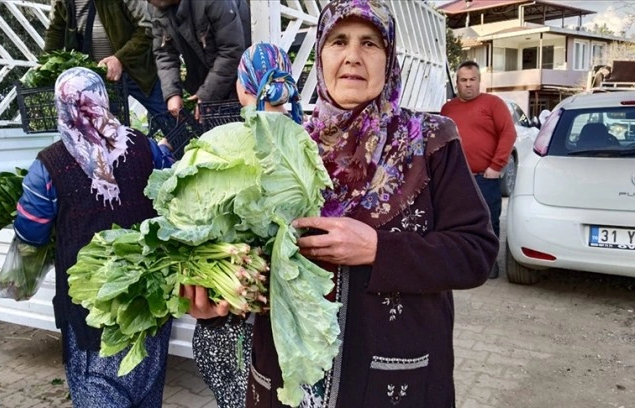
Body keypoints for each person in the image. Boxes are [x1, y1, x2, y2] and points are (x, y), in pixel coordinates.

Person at [182, 1, 500, 407]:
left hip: (390, 382)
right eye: (338, 41)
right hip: (287, 384)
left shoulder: (431, 141)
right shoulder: (283, 148)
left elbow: (477, 252)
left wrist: (379, 250)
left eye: (369, 43)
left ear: (389, 57)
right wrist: (220, 303)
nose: (352, 56)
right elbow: (252, 266)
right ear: (321, 55)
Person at [13, 67, 174, 408]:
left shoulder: (49, 165)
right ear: (102, 98)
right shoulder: (146, 147)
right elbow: (171, 198)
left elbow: (30, 230)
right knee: (147, 389)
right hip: (149, 303)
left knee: (98, 388)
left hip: (92, 313)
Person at [189, 42, 304, 408]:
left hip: (232, 315)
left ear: (242, 86)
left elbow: (191, 225)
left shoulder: (220, 143)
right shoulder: (307, 142)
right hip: (292, 315)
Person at [441, 60, 516, 279]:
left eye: (472, 79)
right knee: (456, 223)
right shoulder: (448, 108)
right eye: (463, 80)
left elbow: (508, 133)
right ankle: (460, 262)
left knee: (488, 222)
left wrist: (496, 166)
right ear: (457, 83)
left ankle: (488, 265)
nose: (468, 85)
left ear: (479, 81)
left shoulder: (493, 103)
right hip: (456, 180)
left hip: (484, 177)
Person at [44, 0, 166, 118]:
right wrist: (46, 64)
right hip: (96, 76)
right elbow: (55, 31)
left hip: (137, 70)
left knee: (170, 119)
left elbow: (148, 28)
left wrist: (120, 59)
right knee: (108, 130)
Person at [148, 0, 251, 120]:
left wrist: (207, 95)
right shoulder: (156, 7)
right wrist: (172, 93)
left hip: (241, 80)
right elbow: (164, 53)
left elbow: (231, 51)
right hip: (207, 76)